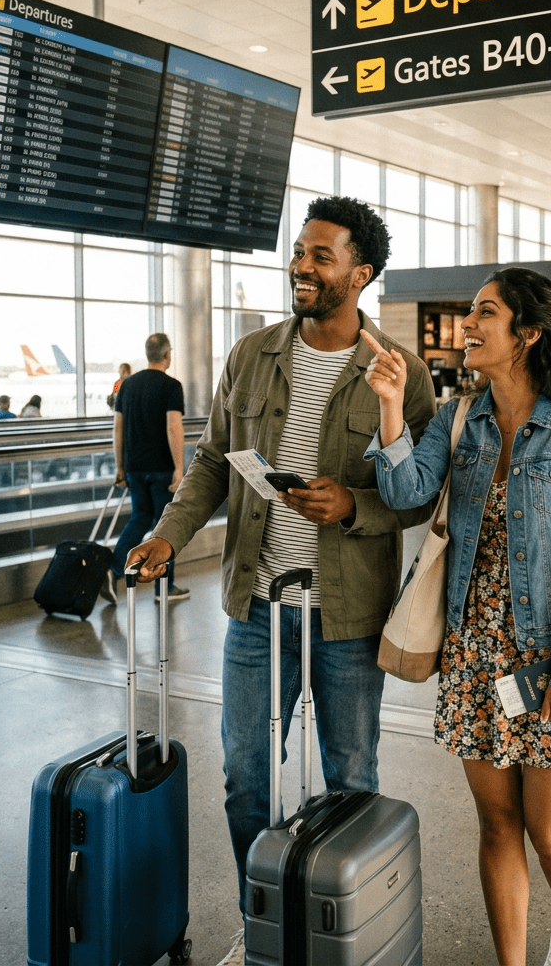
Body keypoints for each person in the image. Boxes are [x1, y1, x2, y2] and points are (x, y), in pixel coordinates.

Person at [126, 196, 436, 966]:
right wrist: (168, 535)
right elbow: (210, 462)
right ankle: (262, 920)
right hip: (258, 606)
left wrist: (352, 503)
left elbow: (420, 495)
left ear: (360, 274)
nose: (301, 266)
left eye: (320, 256)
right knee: (244, 781)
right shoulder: (251, 352)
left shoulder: (400, 373)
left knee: (352, 779)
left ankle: (350, 930)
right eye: (299, 251)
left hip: (348, 613)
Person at [363, 267, 551, 966]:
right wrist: (390, 404)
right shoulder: (459, 419)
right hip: (475, 655)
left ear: (528, 333)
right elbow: (406, 490)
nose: (468, 325)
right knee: (497, 823)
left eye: (485, 313)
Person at [103, 334, 188, 605]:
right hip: (161, 468)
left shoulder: (127, 385)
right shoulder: (171, 386)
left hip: (134, 467)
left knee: (139, 518)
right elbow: (173, 427)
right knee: (165, 526)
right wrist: (179, 467)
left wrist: (120, 466)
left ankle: (114, 569)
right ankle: (164, 588)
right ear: (167, 355)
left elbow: (117, 428)